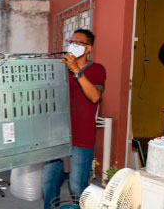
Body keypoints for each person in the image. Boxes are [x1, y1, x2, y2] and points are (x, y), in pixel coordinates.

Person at [43, 29, 106, 208]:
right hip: (56, 135)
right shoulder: (60, 67)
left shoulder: (97, 69)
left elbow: (95, 96)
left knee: (77, 186)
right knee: (49, 183)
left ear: (88, 48)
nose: (72, 45)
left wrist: (76, 70)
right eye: (71, 41)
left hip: (82, 137)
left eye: (78, 43)